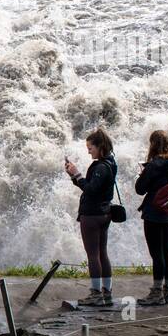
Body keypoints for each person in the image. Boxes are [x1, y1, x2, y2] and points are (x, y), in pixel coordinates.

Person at [65, 129, 118, 307]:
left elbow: (91, 189)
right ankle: (107, 292)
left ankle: (96, 294)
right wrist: (74, 176)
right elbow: (92, 186)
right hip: (104, 213)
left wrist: (77, 174)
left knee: (93, 255)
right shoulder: (110, 162)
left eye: (90, 148)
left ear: (99, 146)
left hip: (92, 215)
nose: (88, 151)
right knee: (102, 253)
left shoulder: (101, 167)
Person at [134, 130, 168, 306]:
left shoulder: (155, 164)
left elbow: (140, 189)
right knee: (167, 250)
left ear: (153, 144)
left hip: (154, 213)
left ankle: (156, 293)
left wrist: (143, 172)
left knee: (156, 254)